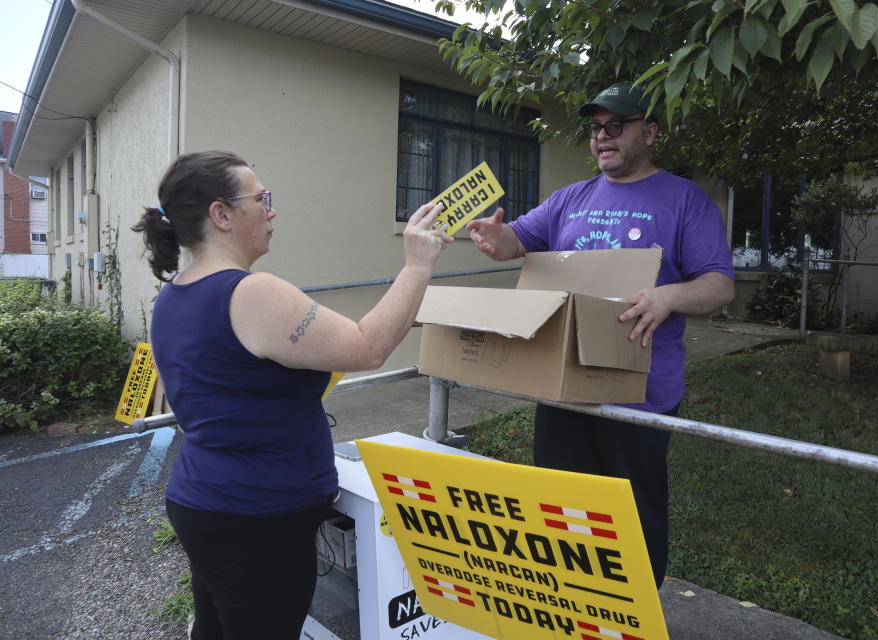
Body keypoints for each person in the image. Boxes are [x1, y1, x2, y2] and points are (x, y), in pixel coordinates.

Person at [132, 150, 452, 640]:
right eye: (261, 198)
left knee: (216, 630)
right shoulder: (250, 293)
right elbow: (367, 348)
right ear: (221, 214)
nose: (272, 210)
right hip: (257, 517)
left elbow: (230, 383)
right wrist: (417, 264)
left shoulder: (175, 294)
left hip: (208, 501)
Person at [465, 83, 735, 588]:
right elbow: (514, 241)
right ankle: (574, 601)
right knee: (563, 509)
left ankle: (634, 610)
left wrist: (668, 297)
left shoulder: (685, 200)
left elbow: (719, 285)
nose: (602, 138)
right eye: (595, 129)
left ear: (649, 132)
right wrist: (493, 236)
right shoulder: (572, 197)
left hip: (641, 393)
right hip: (565, 385)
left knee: (634, 514)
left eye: (616, 126)